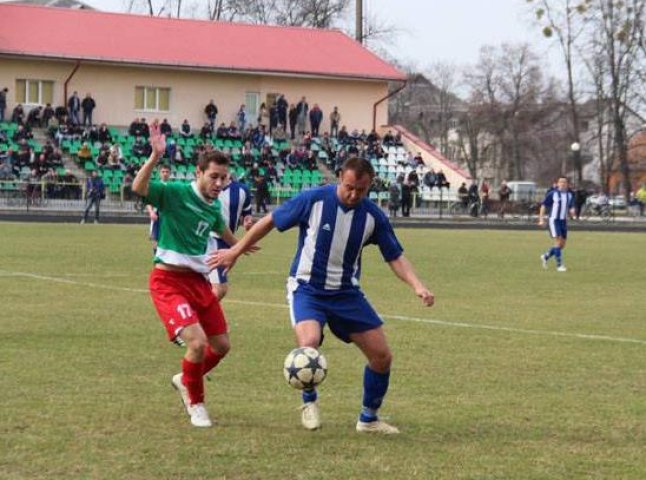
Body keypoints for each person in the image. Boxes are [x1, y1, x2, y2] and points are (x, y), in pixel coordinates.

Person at [209, 157, 435, 435]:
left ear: (369, 187)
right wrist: (236, 250)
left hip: (346, 294)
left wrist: (417, 285)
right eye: (349, 187)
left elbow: (395, 256)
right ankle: (309, 402)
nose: (353, 195)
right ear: (340, 177)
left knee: (382, 356)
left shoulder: (373, 217)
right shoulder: (313, 200)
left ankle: (369, 419)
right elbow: (269, 221)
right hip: (307, 289)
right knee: (309, 343)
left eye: (360, 190)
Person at [132, 121, 254, 428]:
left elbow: (227, 235)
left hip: (198, 283)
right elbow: (138, 188)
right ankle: (196, 403)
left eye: (224, 178)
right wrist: (155, 156)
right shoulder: (173, 194)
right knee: (197, 343)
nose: (219, 183)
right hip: (168, 281)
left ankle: (185, 377)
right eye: (214, 176)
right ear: (198, 173)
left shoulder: (213, 209)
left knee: (222, 346)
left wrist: (239, 247)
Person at [206, 175, 253, 300]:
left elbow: (247, 214)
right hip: (211, 240)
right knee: (219, 288)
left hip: (229, 244)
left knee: (210, 286)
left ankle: (199, 315)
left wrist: (247, 221)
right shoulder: (207, 188)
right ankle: (194, 316)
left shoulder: (242, 190)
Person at [539, 176, 575, 272]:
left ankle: (546, 256)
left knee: (562, 245)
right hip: (554, 220)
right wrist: (541, 219)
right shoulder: (552, 194)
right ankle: (559, 265)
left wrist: (572, 211)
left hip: (563, 221)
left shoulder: (569, 195)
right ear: (558, 183)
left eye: (564, 182)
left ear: (567, 184)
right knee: (558, 241)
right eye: (561, 182)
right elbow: (543, 206)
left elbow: (571, 206)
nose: (562, 184)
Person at [146, 164, 171, 253]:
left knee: (168, 241)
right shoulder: (155, 186)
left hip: (169, 216)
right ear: (159, 173)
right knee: (155, 239)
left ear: (170, 173)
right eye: (163, 172)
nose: (165, 174)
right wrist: (151, 212)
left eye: (167, 172)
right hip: (157, 215)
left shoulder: (173, 187)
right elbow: (148, 202)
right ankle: (156, 261)